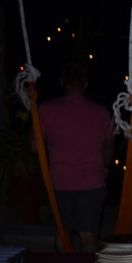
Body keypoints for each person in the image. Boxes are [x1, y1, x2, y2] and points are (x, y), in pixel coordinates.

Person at [36, 61, 115, 251]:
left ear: (62, 82)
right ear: (85, 83)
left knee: (62, 234)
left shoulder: (46, 109)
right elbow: (109, 146)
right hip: (91, 182)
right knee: (89, 236)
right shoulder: (101, 112)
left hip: (59, 182)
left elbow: (34, 146)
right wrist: (105, 167)